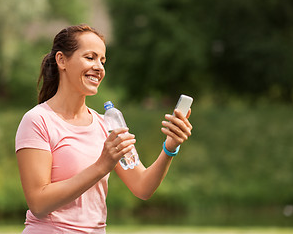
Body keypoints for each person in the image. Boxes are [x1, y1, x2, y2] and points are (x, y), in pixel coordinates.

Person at [15, 24, 192, 233]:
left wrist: (170, 148)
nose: (99, 67)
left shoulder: (107, 124)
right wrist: (102, 165)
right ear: (62, 60)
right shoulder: (37, 120)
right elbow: (38, 203)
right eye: (90, 58)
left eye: (102, 60)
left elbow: (142, 187)